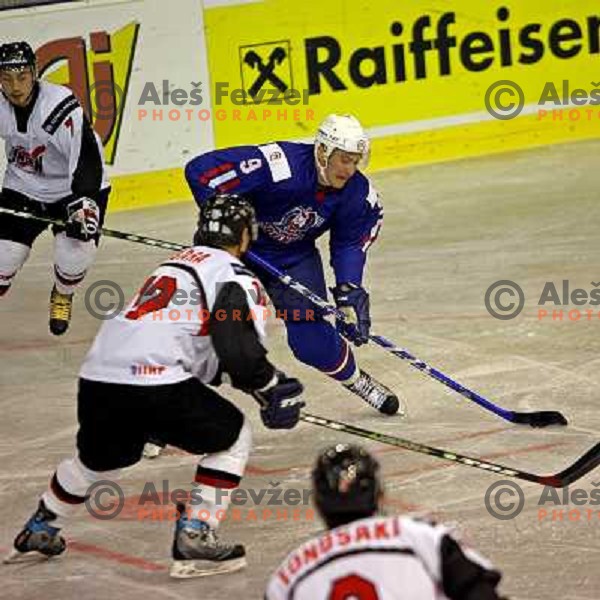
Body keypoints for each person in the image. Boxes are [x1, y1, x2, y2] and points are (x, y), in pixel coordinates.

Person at [4, 194, 306, 578]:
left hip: (100, 375)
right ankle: (197, 532)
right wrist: (270, 384)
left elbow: (205, 353)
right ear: (245, 237)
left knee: (100, 459)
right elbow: (236, 349)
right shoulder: (234, 273)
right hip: (154, 380)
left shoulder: (175, 264)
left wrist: (256, 384)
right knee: (232, 436)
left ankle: (42, 524)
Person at [185, 114, 403, 416]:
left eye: (355, 161)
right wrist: (225, 224)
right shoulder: (278, 165)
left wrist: (349, 288)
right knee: (206, 327)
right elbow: (201, 172)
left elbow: (348, 243)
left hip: (292, 257)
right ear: (323, 151)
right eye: (344, 160)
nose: (350, 169)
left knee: (310, 339)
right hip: (235, 247)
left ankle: (357, 381)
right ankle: (162, 412)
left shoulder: (356, 192)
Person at [265, 444, 507, 599]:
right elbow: (479, 589)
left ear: (319, 501)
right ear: (377, 494)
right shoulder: (418, 536)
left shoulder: (291, 572)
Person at [0, 41, 110, 335]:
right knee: (3, 258)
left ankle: (63, 292)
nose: (15, 86)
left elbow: (87, 158)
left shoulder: (59, 105)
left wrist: (85, 204)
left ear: (35, 73)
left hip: (72, 189)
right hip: (23, 184)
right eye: (6, 78)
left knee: (74, 257)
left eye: (22, 76)